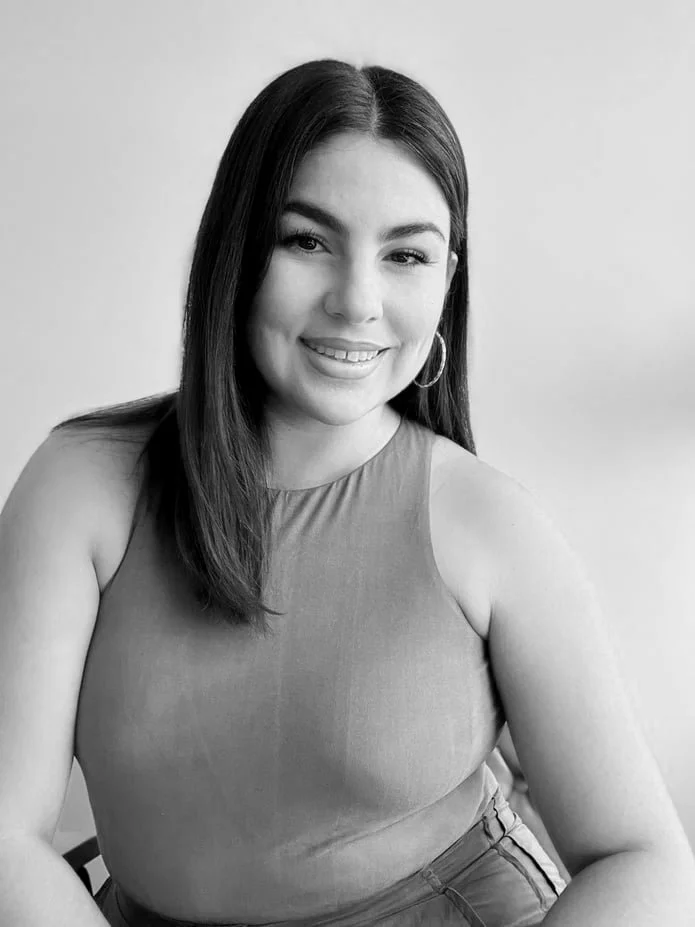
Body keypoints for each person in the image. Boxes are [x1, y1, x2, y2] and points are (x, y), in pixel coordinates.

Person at [1, 58, 694, 927]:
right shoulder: (83, 484)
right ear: (237, 251)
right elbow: (6, 837)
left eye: (406, 253)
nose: (357, 300)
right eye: (307, 240)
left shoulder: (486, 522)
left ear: (447, 280)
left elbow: (645, 857)